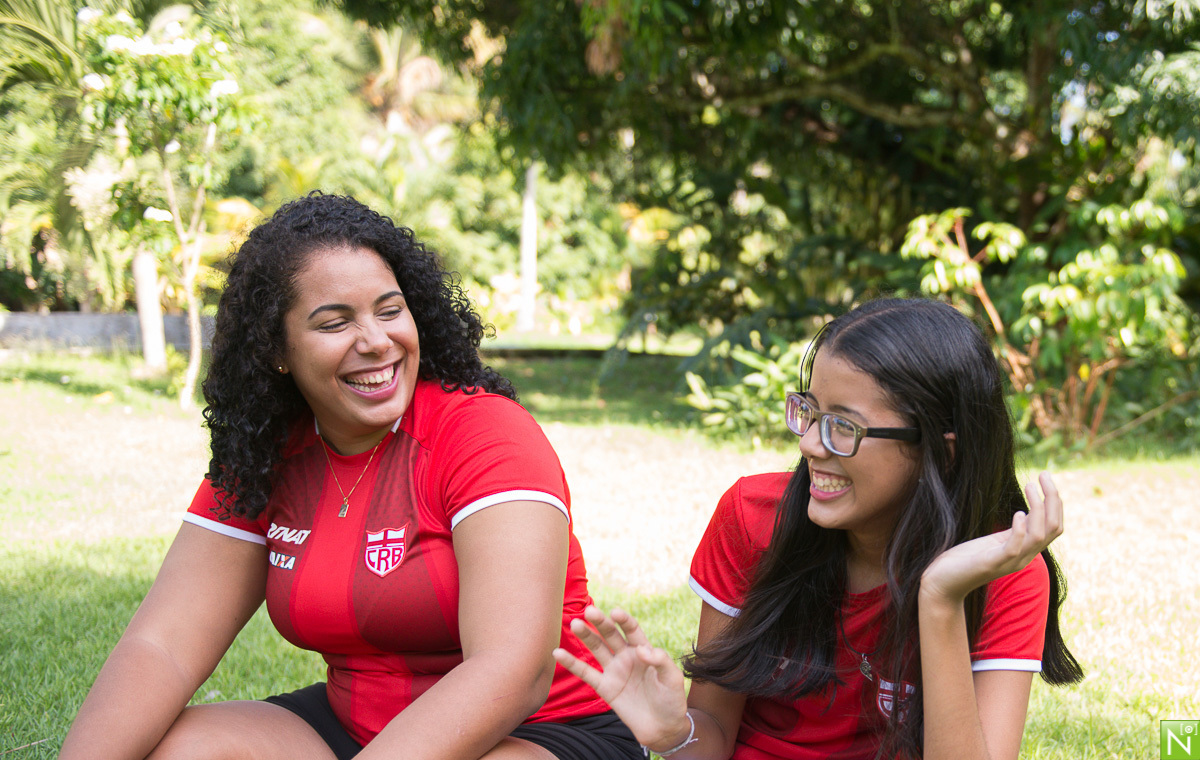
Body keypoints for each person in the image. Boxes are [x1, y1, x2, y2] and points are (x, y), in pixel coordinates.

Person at [60, 193, 643, 760]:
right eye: (334, 323)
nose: (376, 342)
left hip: (544, 730)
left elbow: (513, 670)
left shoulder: (484, 434)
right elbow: (161, 648)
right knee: (184, 751)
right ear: (277, 349)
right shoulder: (268, 453)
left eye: (390, 311)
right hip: (355, 728)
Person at [553, 298, 1083, 760]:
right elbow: (710, 739)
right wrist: (674, 734)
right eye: (809, 411)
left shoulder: (1002, 572)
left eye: (843, 426)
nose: (809, 444)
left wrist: (941, 597)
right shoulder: (752, 517)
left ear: (939, 452)